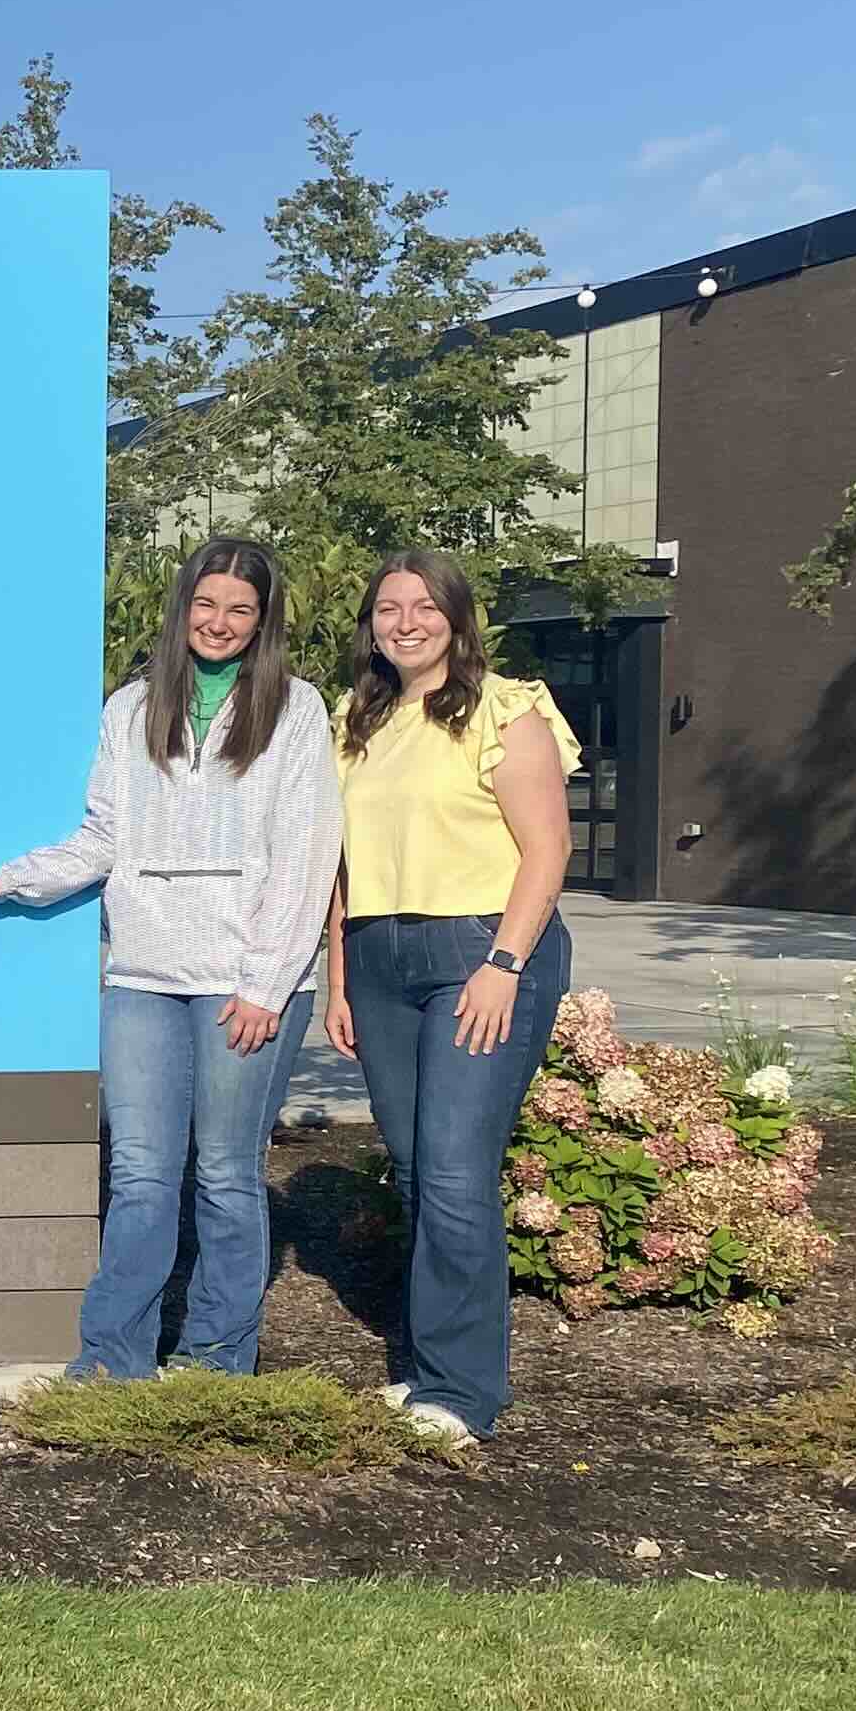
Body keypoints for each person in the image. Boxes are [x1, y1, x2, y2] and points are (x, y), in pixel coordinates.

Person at [0, 537, 342, 1380]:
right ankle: (113, 1360)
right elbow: (103, 837)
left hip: (246, 983)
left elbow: (307, 853)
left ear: (262, 623)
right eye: (207, 604)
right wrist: (5, 881)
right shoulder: (133, 708)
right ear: (183, 606)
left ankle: (218, 1359)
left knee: (226, 1173)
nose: (219, 623)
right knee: (142, 1174)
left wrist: (265, 984)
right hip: (144, 974)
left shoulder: (295, 710)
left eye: (240, 610)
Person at [318, 547, 579, 1444]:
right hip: (378, 958)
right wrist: (338, 977)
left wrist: (503, 966)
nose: (405, 621)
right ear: (371, 626)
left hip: (480, 952)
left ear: (457, 619)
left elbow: (546, 851)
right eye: (388, 608)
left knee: (458, 1172)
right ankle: (431, 1370)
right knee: (421, 1172)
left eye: (424, 606)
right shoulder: (355, 720)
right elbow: (341, 864)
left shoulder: (509, 710)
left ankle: (465, 1393)